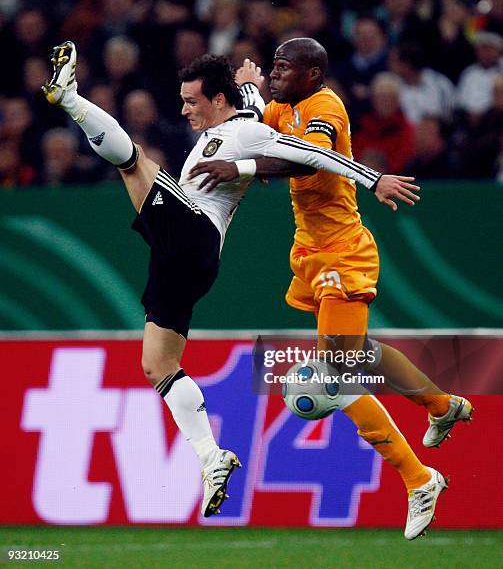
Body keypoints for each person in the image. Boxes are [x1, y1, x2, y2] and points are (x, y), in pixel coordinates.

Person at [42, 41, 415, 519]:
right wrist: (251, 85)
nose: (184, 110)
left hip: (195, 230)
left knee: (133, 160)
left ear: (218, 101)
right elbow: (252, 106)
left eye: (192, 101)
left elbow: (312, 155)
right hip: (183, 258)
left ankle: (70, 96)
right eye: (182, 101)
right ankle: (211, 457)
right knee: (157, 365)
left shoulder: (247, 135)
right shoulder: (238, 120)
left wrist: (373, 178)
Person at [189, 39, 473, 539]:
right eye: (272, 67)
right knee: (356, 355)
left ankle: (419, 479)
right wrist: (248, 92)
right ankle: (441, 405)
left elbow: (309, 161)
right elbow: (258, 131)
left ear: (313, 73)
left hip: (342, 249)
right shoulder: (279, 107)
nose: (276, 74)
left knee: (336, 375)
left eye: (284, 67)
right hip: (309, 249)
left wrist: (242, 168)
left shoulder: (326, 107)